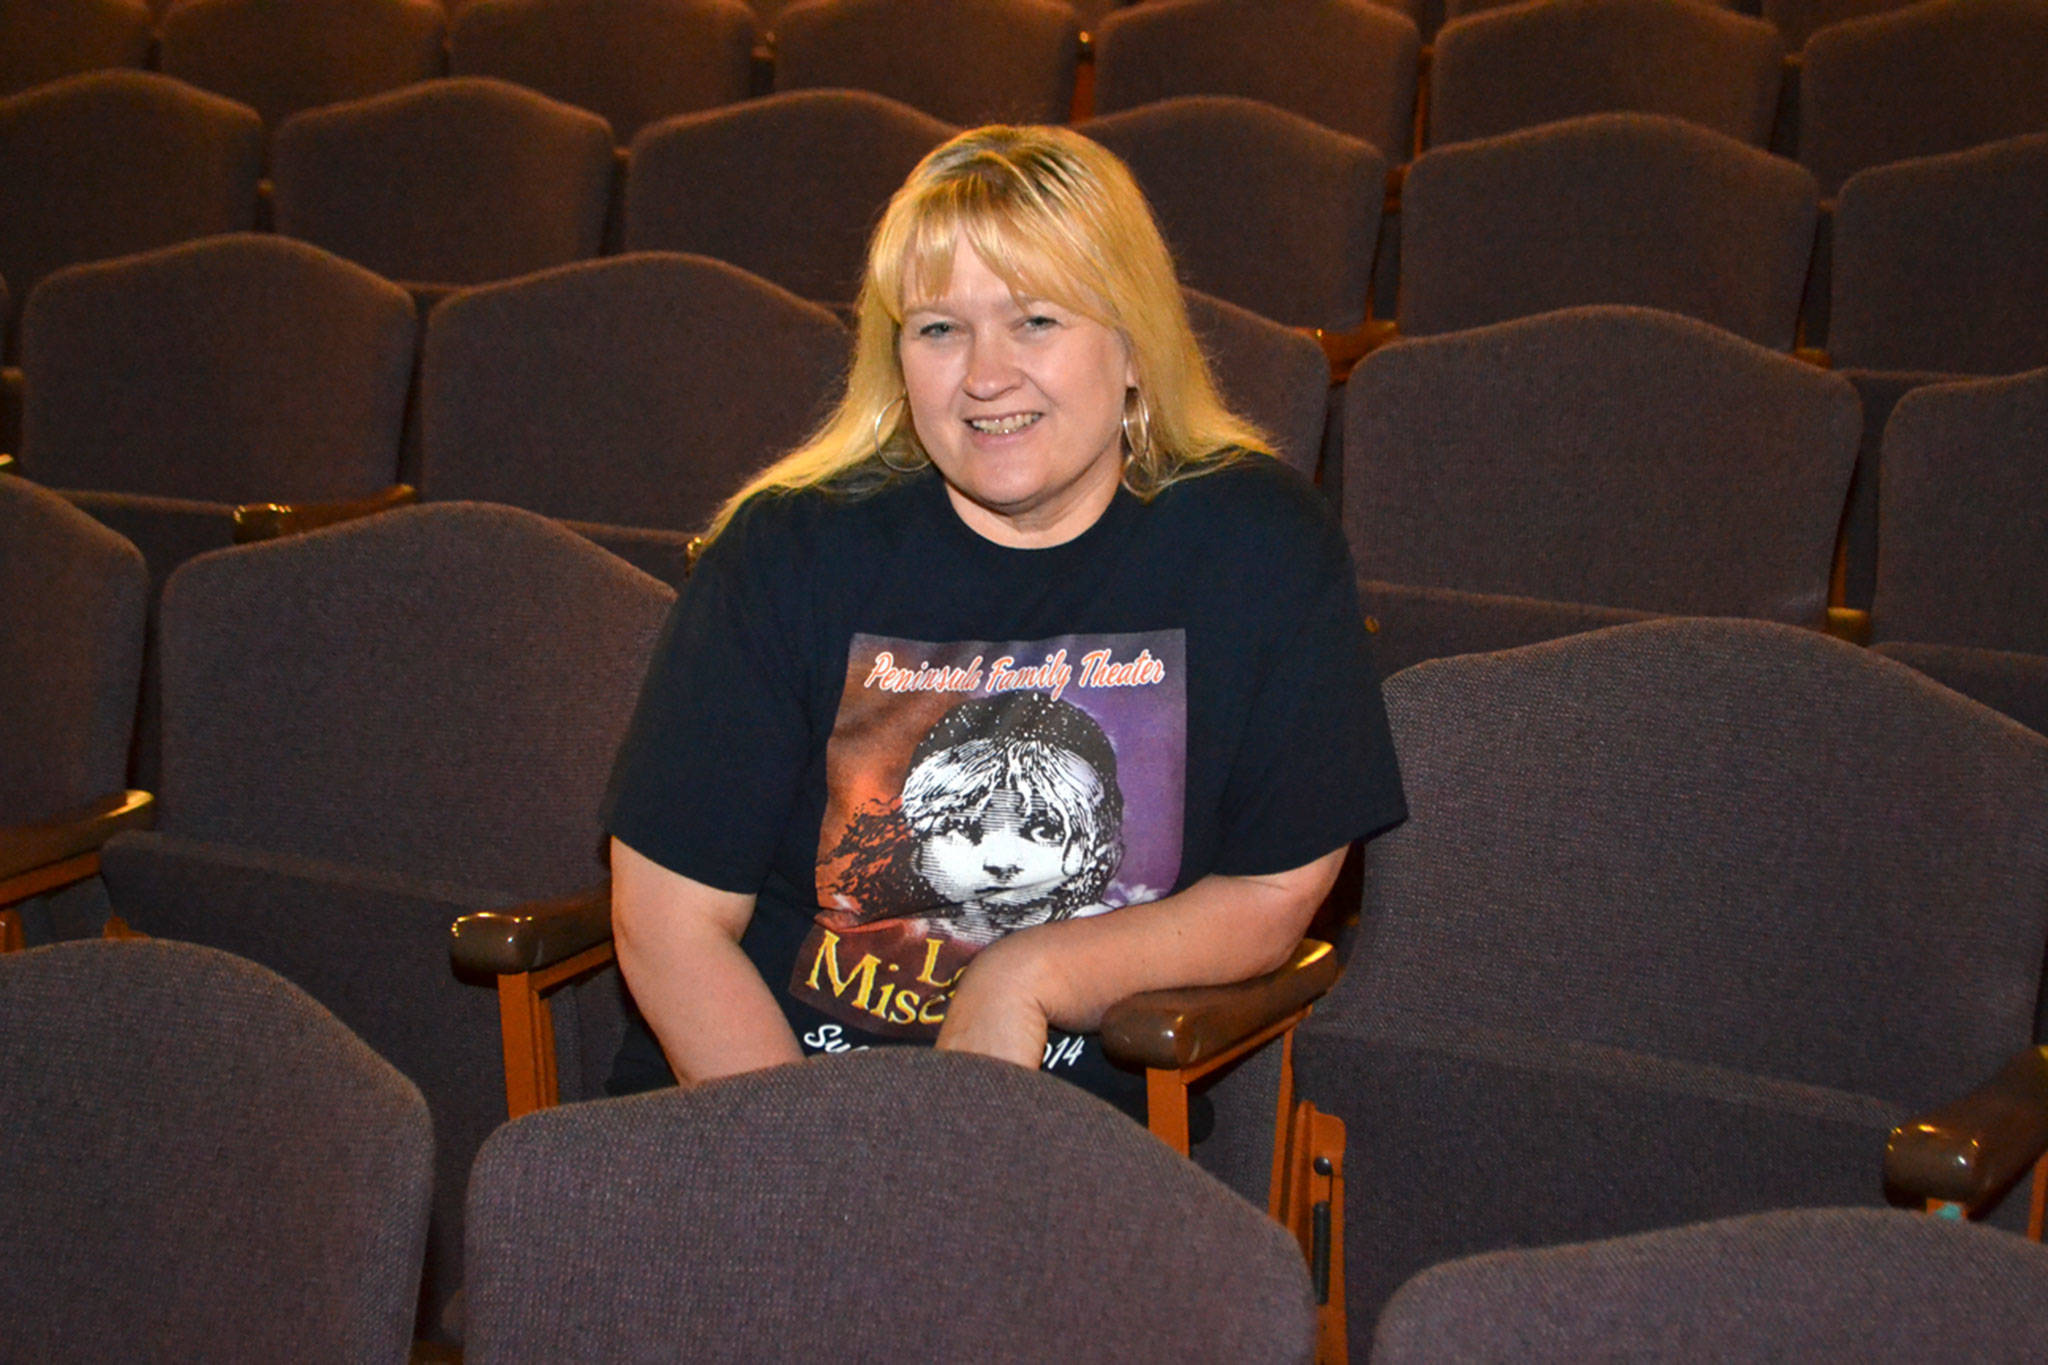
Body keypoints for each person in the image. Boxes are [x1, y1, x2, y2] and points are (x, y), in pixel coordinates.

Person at [602, 123, 1406, 1119]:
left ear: (1131, 347)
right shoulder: (785, 549)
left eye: (1034, 320)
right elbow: (668, 923)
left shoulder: (1261, 546)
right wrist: (809, 1176)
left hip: (1070, 1150)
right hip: (761, 1108)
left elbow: (1272, 892)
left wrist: (1023, 977)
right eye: (938, 328)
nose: (984, 376)